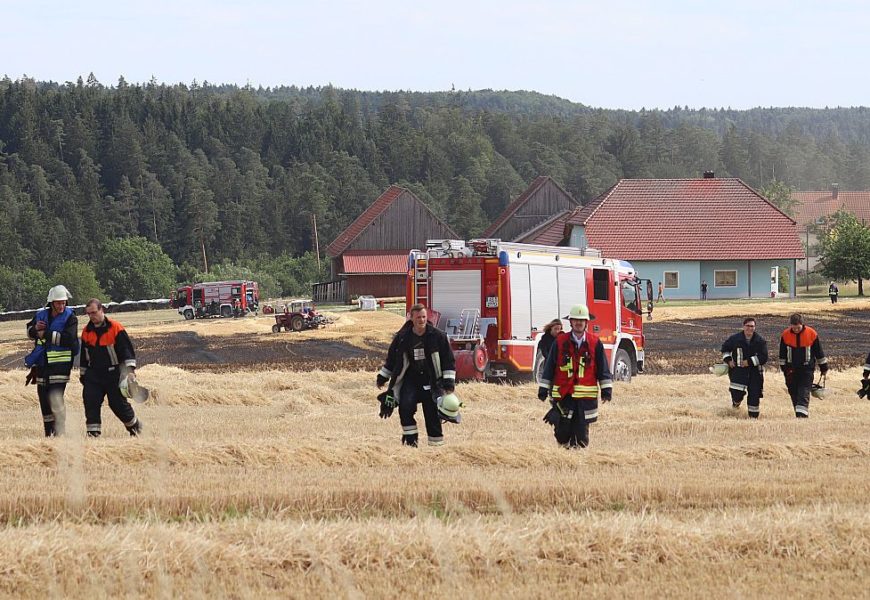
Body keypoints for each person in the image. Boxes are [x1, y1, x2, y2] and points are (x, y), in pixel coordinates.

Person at [376, 304, 456, 447]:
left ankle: (436, 446)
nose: (421, 320)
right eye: (418, 317)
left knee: (432, 412)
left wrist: (448, 383)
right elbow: (392, 360)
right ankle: (410, 442)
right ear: (411, 318)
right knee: (405, 408)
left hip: (432, 380)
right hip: (410, 380)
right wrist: (383, 376)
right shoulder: (402, 338)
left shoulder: (438, 336)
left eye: (424, 317)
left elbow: (448, 361)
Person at [538, 304, 613, 448]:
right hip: (563, 396)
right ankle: (564, 454)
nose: (578, 323)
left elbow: (603, 368)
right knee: (562, 432)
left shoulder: (595, 343)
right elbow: (549, 367)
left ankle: (578, 460)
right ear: (570, 322)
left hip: (585, 399)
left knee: (581, 434)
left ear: (586, 322)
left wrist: (606, 390)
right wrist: (543, 389)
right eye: (575, 320)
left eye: (581, 320)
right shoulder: (559, 342)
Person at [79, 299, 143, 437]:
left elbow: (126, 350)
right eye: (88, 314)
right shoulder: (86, 332)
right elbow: (84, 357)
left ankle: (135, 428)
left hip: (114, 374)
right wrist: (83, 376)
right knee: (91, 402)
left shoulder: (115, 328)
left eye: (94, 312)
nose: (91, 316)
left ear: (102, 310)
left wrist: (130, 371)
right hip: (93, 375)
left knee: (117, 405)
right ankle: (93, 434)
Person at [25, 285, 78, 437]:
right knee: (44, 400)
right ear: (51, 303)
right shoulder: (41, 315)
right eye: (58, 302)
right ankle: (49, 435)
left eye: (63, 302)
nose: (61, 305)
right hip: (42, 365)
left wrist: (46, 334)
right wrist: (35, 329)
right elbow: (29, 330)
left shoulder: (70, 318)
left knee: (55, 399)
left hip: (60, 366)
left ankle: (60, 432)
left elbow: (69, 339)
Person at [779, 313, 828, 418]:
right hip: (791, 370)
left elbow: (819, 352)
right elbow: (782, 354)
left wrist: (824, 367)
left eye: (798, 327)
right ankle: (799, 413)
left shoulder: (812, 333)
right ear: (790, 325)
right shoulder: (785, 335)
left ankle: (802, 417)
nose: (796, 329)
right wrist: (783, 369)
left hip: (807, 369)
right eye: (794, 327)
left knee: (804, 392)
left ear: (802, 324)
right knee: (794, 392)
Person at [720, 317, 768, 418]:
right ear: (743, 326)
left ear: (755, 328)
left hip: (755, 373)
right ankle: (735, 404)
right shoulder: (735, 339)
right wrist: (728, 360)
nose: (750, 328)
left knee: (754, 396)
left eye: (752, 326)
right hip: (738, 372)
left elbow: (764, 357)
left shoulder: (760, 341)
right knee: (736, 393)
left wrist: (749, 362)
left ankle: (753, 417)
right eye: (748, 326)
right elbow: (724, 349)